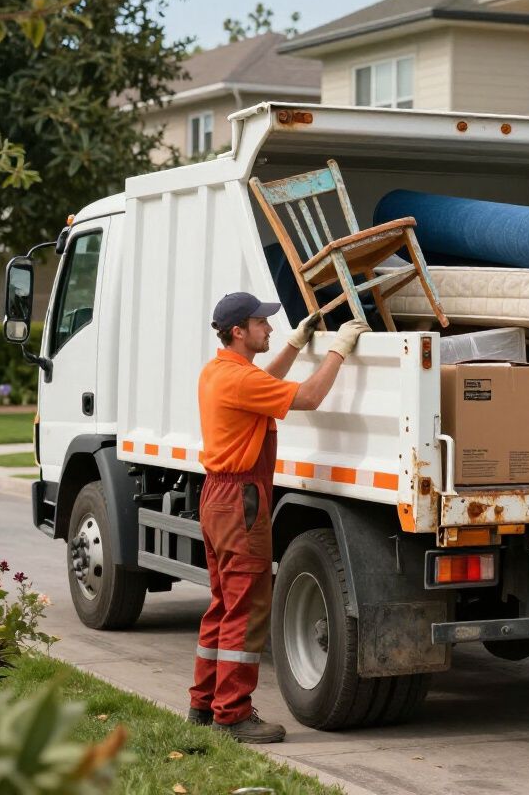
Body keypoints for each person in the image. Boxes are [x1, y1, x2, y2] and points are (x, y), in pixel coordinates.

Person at [187, 292, 368, 743]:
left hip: (218, 497)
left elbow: (262, 384)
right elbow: (307, 397)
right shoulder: (237, 380)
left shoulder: (220, 371)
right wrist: (337, 351)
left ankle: (204, 704)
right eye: (261, 323)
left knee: (223, 604)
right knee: (246, 609)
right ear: (238, 332)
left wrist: (291, 344)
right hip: (240, 499)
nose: (268, 327)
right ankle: (233, 715)